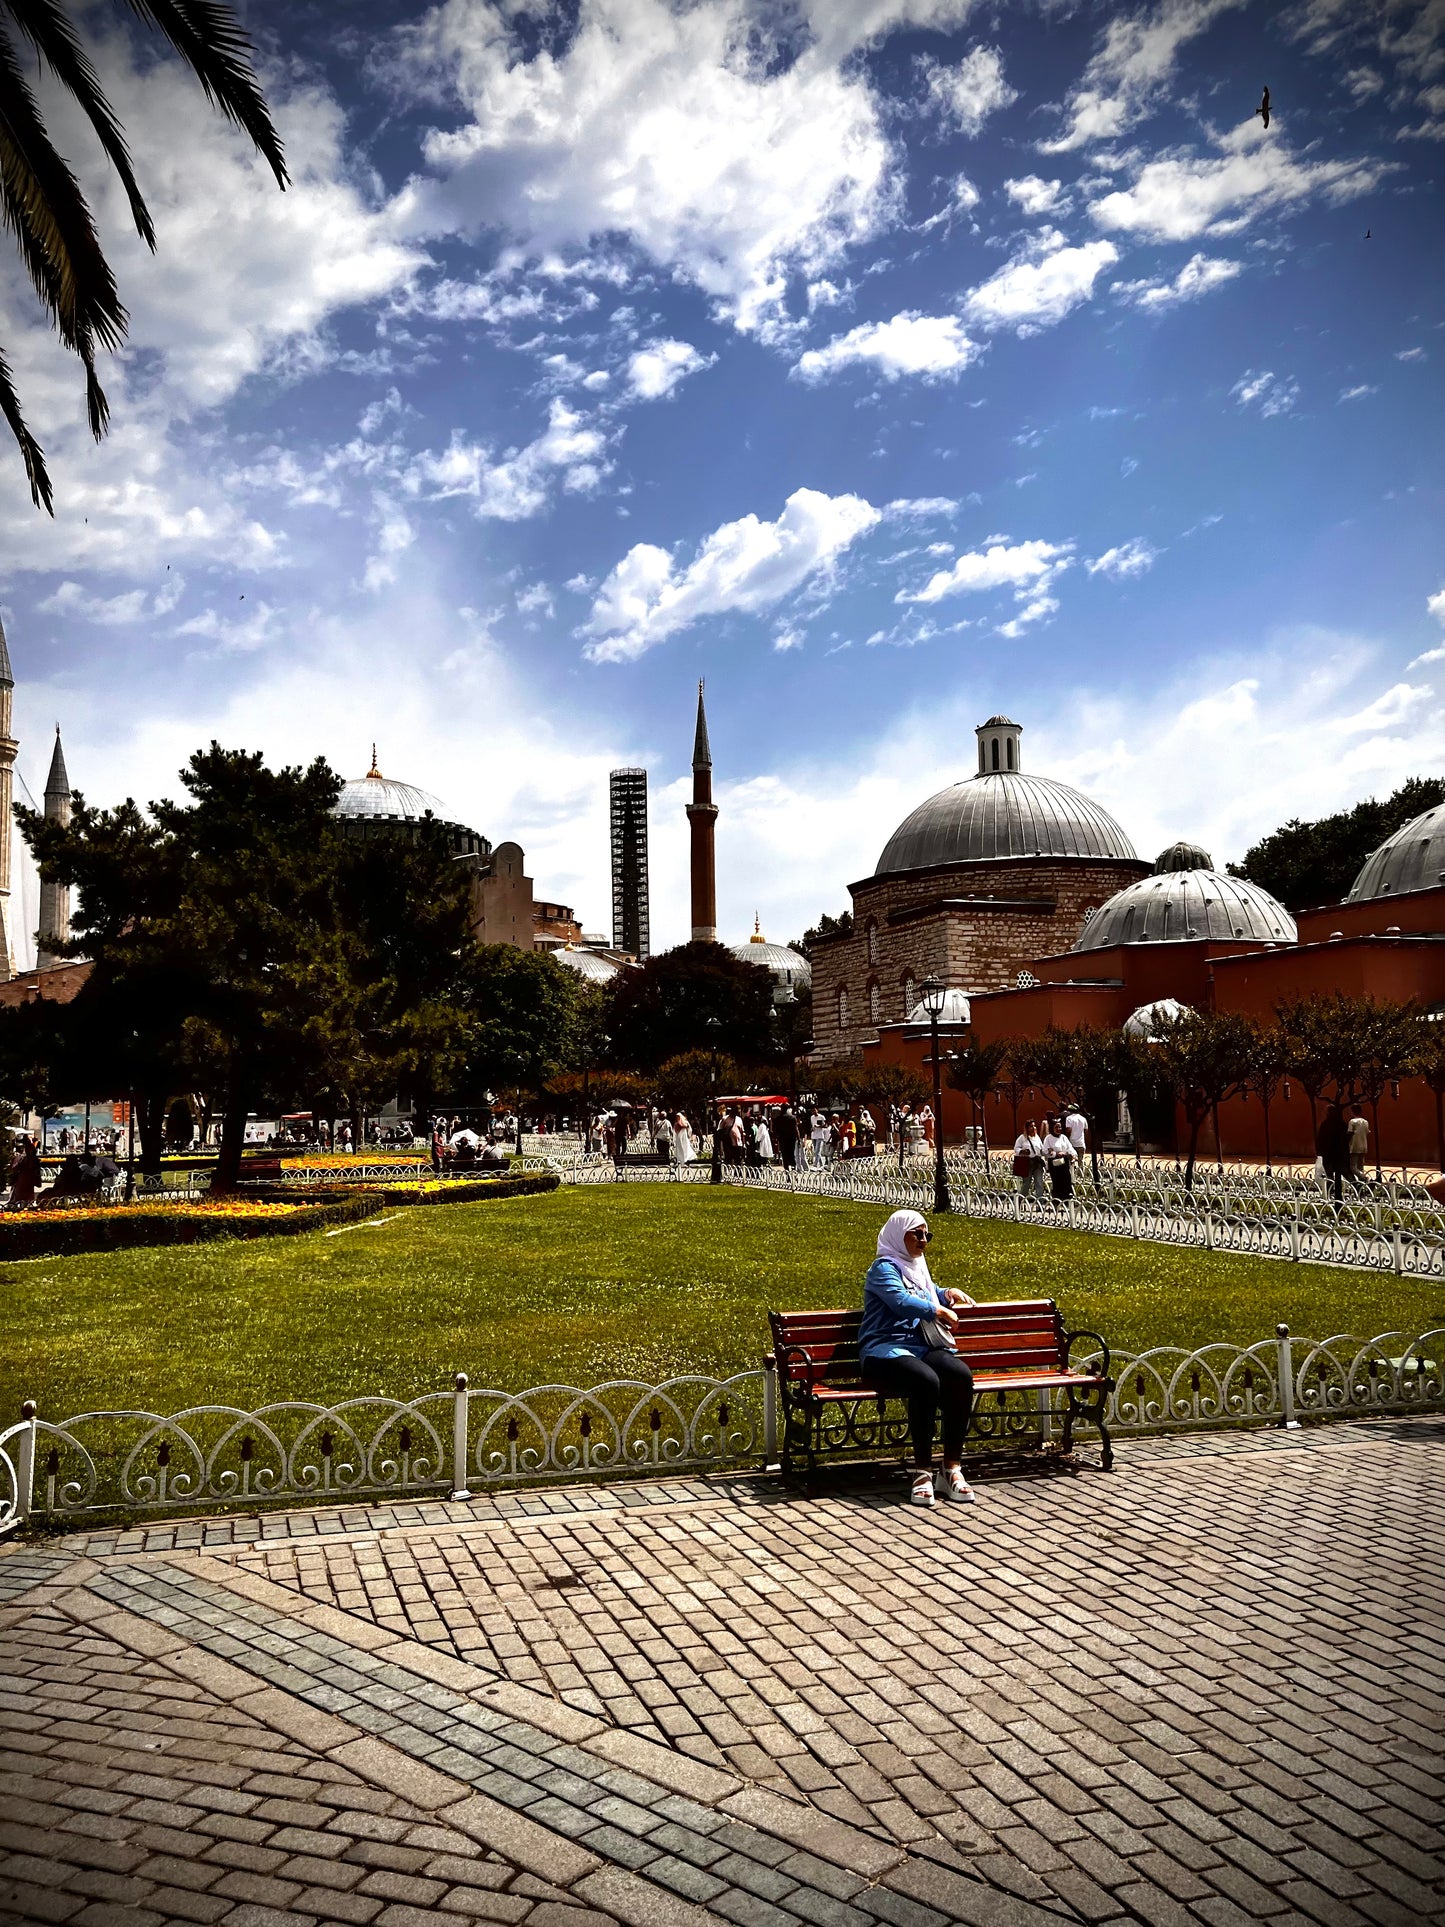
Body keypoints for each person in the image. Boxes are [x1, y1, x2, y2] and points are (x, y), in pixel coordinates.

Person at [858, 1210, 977, 1508]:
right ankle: (922, 1472)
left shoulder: (916, 1264)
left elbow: (926, 1291)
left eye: (927, 1235)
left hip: (920, 1346)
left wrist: (946, 1293)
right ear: (899, 1235)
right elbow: (900, 1301)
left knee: (960, 1376)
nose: (924, 1240)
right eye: (917, 1234)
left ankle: (951, 1468)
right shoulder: (883, 1268)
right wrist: (937, 1311)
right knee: (925, 1381)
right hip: (883, 1350)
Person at [1317, 1103, 1349, 1204]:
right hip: (1339, 1153)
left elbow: (1320, 1139)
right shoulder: (1343, 1124)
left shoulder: (1325, 1124)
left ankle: (1329, 1191)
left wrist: (1319, 1151)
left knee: (1329, 1173)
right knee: (1344, 1171)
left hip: (1329, 1153)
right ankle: (1357, 1187)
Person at [1042, 1117, 1076, 1201]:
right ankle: (1057, 1199)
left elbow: (1069, 1147)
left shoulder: (1063, 1137)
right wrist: (1056, 1153)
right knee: (1057, 1181)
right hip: (1054, 1163)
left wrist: (1072, 1155)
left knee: (1066, 1179)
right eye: (1056, 1127)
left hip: (1064, 1162)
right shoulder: (1048, 1138)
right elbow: (1045, 1151)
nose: (1058, 1129)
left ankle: (1067, 1198)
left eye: (1060, 1127)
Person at [1013, 1120, 1046, 1198]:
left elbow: (1042, 1149)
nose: (1033, 1128)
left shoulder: (1037, 1137)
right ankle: (1021, 1199)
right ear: (1027, 1128)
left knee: (1039, 1183)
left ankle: (1039, 1203)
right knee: (1027, 1183)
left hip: (1037, 1162)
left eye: (1034, 1126)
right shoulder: (1022, 1138)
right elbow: (1016, 1148)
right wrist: (1021, 1151)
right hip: (1027, 1163)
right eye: (1031, 1126)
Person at [1348, 1108, 1369, 1184]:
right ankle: (1362, 1184)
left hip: (1354, 1146)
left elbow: (1350, 1133)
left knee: (1352, 1166)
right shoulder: (1365, 1122)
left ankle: (1363, 1177)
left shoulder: (1352, 1122)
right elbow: (1367, 1132)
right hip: (1364, 1146)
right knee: (1360, 1166)